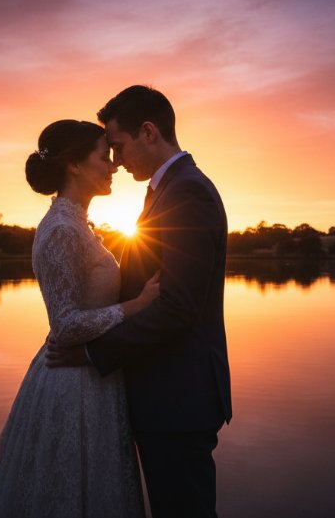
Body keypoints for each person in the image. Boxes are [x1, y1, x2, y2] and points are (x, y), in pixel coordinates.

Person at [47, 85, 232, 518]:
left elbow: (178, 306)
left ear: (148, 132)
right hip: (165, 396)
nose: (114, 159)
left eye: (118, 144)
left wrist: (93, 352)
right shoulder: (167, 190)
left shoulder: (187, 192)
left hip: (178, 399)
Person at [0, 119, 158, 518]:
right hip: (73, 384)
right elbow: (65, 325)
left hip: (95, 376)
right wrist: (134, 307)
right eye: (103, 157)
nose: (113, 166)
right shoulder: (60, 230)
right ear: (74, 165)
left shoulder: (76, 225)